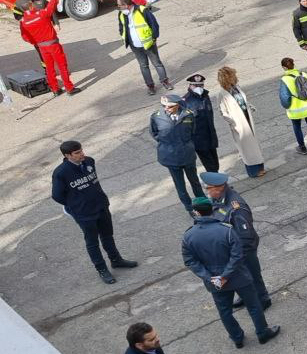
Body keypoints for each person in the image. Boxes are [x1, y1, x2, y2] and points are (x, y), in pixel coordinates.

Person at [182, 197, 280, 348]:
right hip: (238, 276)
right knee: (253, 305)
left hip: (215, 282)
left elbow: (190, 261)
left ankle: (237, 338)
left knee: (225, 311)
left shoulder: (188, 236)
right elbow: (237, 255)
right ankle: (262, 333)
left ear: (196, 212)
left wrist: (212, 278)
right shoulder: (226, 230)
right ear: (211, 210)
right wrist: (225, 275)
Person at [52, 140, 137, 284]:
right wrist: (76, 205)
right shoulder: (61, 173)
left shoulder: (89, 162)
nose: (82, 154)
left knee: (107, 236)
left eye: (81, 150)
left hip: (101, 206)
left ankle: (116, 260)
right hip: (84, 214)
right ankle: (102, 269)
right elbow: (57, 195)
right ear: (67, 155)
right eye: (77, 153)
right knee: (92, 242)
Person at [202, 172, 269, 310]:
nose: (206, 191)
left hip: (244, 249)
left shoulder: (236, 207)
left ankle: (263, 299)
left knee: (253, 275)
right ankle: (246, 297)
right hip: (232, 248)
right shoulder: (220, 199)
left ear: (218, 188)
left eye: (207, 188)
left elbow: (245, 235)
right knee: (242, 276)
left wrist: (238, 253)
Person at [151, 93, 203, 216]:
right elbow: (154, 133)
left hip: (187, 154)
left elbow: (192, 131)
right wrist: (168, 144)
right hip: (171, 157)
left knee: (194, 181)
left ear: (178, 105)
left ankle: (203, 204)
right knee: (180, 185)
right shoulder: (157, 117)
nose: (166, 109)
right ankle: (190, 208)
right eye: (164, 106)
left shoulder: (188, 114)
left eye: (169, 106)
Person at [18, 0, 77, 96]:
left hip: (41, 47)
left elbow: (25, 36)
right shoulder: (41, 14)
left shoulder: (23, 22)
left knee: (49, 68)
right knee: (62, 66)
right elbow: (51, 5)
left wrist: (35, 42)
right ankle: (69, 88)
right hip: (53, 44)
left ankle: (55, 89)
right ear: (31, 6)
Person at [213, 67, 266, 177]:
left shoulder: (237, 88)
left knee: (254, 145)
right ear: (227, 78)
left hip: (247, 117)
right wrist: (233, 122)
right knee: (246, 149)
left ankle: (260, 167)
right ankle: (253, 171)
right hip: (238, 123)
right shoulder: (222, 94)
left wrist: (250, 106)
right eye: (233, 75)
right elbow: (223, 112)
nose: (235, 77)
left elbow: (242, 101)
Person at [117, 0, 172, 94]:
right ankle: (150, 86)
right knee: (143, 66)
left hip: (148, 44)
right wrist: (124, 37)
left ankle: (165, 81)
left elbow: (154, 24)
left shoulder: (142, 10)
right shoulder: (121, 14)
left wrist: (154, 38)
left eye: (119, 5)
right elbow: (121, 28)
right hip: (135, 46)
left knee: (157, 63)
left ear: (126, 5)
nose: (119, 8)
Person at [279, 57, 307, 156]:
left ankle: (302, 148)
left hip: (296, 109)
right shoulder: (304, 74)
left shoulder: (285, 79)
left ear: (284, 67)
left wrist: (287, 106)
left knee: (297, 127)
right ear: (293, 65)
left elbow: (284, 98)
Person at [183, 74, 219, 173]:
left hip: (210, 137)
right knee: (211, 166)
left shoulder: (205, 96)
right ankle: (217, 186)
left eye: (201, 85)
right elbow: (186, 124)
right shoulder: (186, 102)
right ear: (190, 86)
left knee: (215, 164)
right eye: (196, 86)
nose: (199, 88)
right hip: (199, 141)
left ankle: (219, 184)